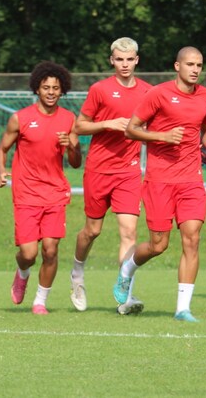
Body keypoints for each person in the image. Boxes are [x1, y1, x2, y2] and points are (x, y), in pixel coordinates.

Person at [113, 46, 206, 323]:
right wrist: (162, 136)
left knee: (192, 239)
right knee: (159, 245)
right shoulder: (158, 94)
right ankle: (126, 271)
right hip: (159, 181)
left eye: (199, 64)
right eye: (190, 64)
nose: (195, 69)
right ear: (177, 66)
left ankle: (182, 309)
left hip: (192, 180)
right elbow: (131, 129)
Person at [69, 37, 152, 314]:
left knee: (129, 233)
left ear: (137, 60)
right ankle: (77, 273)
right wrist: (107, 124)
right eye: (120, 59)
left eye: (130, 59)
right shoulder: (100, 90)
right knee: (92, 231)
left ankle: (125, 296)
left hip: (128, 172)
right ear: (112, 61)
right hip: (98, 170)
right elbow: (79, 126)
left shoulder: (148, 92)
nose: (125, 64)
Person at [0, 61, 81, 315]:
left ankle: (40, 301)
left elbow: (76, 163)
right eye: (46, 87)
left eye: (56, 87)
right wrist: (1, 171)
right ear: (37, 89)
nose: (51, 92)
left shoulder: (69, 119)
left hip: (55, 193)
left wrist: (72, 146)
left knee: (51, 249)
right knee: (29, 253)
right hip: (26, 193)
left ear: (62, 90)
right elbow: (1, 149)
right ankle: (22, 273)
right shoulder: (20, 118)